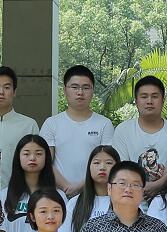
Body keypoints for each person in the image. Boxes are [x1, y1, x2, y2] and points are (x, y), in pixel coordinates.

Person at [39, 65, 114, 197]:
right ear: (65, 90)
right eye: (74, 87)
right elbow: (45, 162)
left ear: (92, 90)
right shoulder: (51, 123)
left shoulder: (104, 124)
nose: (80, 92)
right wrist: (66, 187)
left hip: (93, 194)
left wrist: (81, 186)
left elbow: (107, 162)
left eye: (86, 87)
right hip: (59, 194)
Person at [113, 75, 167, 198]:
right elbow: (121, 167)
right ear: (136, 101)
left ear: (163, 100)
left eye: (155, 96)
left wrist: (158, 184)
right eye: (144, 96)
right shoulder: (123, 130)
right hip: (131, 198)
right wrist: (139, 186)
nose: (149, 101)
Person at [62, 145, 120, 232]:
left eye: (109, 163)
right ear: (89, 167)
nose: (102, 167)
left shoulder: (128, 202)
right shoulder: (75, 203)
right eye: (97, 162)